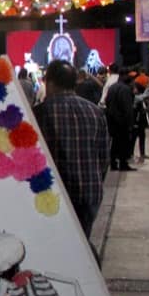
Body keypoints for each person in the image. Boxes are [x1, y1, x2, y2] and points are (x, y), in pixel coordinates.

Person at [35, 59, 109, 237]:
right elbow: (104, 159)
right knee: (82, 246)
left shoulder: (38, 114)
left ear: (50, 82)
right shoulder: (95, 112)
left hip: (51, 198)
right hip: (89, 193)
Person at [104, 71, 135, 171]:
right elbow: (127, 108)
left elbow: (106, 101)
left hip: (111, 120)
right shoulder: (125, 90)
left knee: (115, 143)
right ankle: (123, 164)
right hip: (122, 121)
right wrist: (130, 123)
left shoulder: (112, 87)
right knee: (123, 143)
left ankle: (113, 163)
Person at [132, 74, 149, 162]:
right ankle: (131, 155)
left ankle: (142, 154)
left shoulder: (138, 96)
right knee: (133, 139)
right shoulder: (135, 97)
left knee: (142, 137)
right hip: (136, 122)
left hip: (140, 121)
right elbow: (143, 96)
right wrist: (148, 87)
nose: (134, 89)